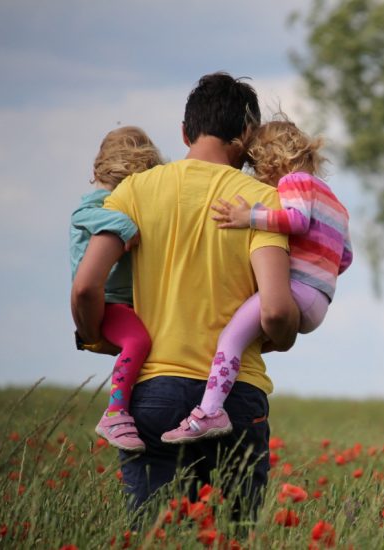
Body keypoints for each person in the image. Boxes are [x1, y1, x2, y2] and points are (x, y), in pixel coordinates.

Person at [71, 73, 300, 515]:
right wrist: (284, 335)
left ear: (184, 131)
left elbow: (85, 286)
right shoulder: (262, 202)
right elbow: (274, 310)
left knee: (156, 535)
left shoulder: (133, 191)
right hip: (235, 397)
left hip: (152, 391)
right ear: (247, 136)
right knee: (232, 538)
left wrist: (96, 335)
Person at [162, 116, 353, 444]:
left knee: (230, 339)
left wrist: (247, 217)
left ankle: (210, 411)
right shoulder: (335, 202)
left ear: (272, 159)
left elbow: (295, 220)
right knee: (246, 339)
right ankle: (220, 393)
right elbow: (345, 257)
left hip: (297, 290)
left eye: (256, 165)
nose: (255, 175)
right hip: (320, 299)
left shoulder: (294, 182)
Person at [70, 126, 163, 452]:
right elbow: (85, 215)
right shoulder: (97, 204)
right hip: (108, 302)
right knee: (138, 340)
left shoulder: (113, 200)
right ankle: (115, 412)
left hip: (124, 302)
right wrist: (125, 226)